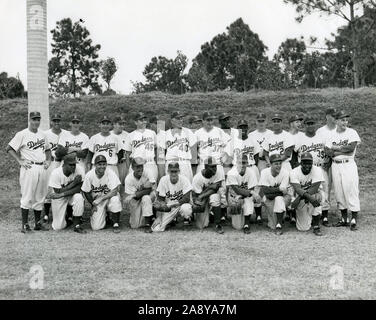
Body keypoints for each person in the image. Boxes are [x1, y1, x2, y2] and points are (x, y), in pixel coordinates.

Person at [6, 111, 51, 233]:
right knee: (27, 196)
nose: (36, 122)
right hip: (29, 167)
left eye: (38, 119)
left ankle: (37, 223)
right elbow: (9, 148)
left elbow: (48, 150)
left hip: (42, 167)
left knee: (40, 196)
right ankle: (25, 225)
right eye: (34, 119)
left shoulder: (43, 134)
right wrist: (20, 160)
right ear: (29, 120)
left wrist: (48, 160)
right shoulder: (22, 134)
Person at [324, 110, 361, 231]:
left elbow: (350, 148)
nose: (345, 122)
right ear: (336, 121)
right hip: (335, 165)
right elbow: (327, 151)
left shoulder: (352, 132)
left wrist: (337, 149)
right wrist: (336, 151)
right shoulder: (331, 134)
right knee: (339, 191)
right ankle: (344, 218)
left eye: (346, 120)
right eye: (342, 120)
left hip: (348, 164)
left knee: (351, 189)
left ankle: (354, 218)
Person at [294, 116, 331, 226]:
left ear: (315, 124)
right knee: (308, 190)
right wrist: (296, 166)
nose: (310, 125)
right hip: (305, 169)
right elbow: (294, 154)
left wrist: (329, 162)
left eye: (312, 123)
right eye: (308, 123)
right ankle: (309, 213)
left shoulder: (322, 137)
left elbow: (329, 151)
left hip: (319, 167)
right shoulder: (300, 139)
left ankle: (324, 216)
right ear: (305, 125)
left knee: (324, 191)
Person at [194, 112, 229, 220]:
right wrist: (197, 160)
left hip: (216, 163)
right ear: (203, 121)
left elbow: (228, 145)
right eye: (207, 120)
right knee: (203, 188)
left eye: (211, 119)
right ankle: (204, 211)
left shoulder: (219, 131)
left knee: (221, 189)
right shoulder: (197, 133)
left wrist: (224, 159)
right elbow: (194, 149)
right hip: (203, 164)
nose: (210, 122)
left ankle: (222, 213)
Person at [228, 119, 263, 224]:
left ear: (247, 128)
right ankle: (240, 211)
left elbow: (256, 156)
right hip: (238, 168)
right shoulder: (233, 142)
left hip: (251, 166)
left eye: (244, 127)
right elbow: (229, 157)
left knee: (255, 191)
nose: (242, 129)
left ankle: (258, 215)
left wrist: (251, 167)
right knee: (238, 190)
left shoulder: (253, 140)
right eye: (240, 127)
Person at [263, 113, 295, 223]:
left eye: (278, 121)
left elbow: (287, 153)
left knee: (289, 190)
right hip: (273, 166)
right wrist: (269, 163)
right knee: (276, 188)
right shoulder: (269, 136)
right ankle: (278, 213)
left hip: (285, 164)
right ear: (272, 123)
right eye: (274, 121)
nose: (276, 123)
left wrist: (274, 162)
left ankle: (291, 214)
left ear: (281, 122)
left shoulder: (287, 136)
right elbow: (265, 152)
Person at [81, 155, 122, 232]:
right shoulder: (89, 175)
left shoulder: (110, 173)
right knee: (96, 227)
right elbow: (86, 191)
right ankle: (105, 217)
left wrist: (102, 198)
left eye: (104, 164)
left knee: (115, 199)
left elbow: (115, 190)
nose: (102, 166)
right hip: (97, 201)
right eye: (99, 164)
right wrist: (92, 204)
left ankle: (115, 223)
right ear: (95, 165)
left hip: (109, 197)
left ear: (106, 164)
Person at [46, 153, 85, 233]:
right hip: (58, 197)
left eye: (74, 164)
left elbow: (79, 188)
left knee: (79, 197)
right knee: (58, 227)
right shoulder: (56, 173)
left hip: (67, 195)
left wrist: (62, 193)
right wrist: (74, 183)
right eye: (70, 165)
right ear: (64, 164)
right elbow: (57, 191)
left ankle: (76, 225)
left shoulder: (80, 169)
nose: (73, 167)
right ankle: (68, 220)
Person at [290, 152, 324, 236]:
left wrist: (308, 198)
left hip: (313, 194)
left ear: (312, 163)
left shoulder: (317, 170)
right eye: (304, 163)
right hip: (300, 196)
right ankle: (299, 215)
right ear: (300, 163)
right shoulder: (294, 172)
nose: (307, 165)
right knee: (303, 228)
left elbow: (315, 188)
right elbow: (297, 189)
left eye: (309, 163)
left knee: (317, 197)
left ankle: (316, 225)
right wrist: (302, 198)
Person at [152, 162, 193, 232]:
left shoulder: (184, 180)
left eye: (175, 171)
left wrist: (174, 204)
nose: (173, 174)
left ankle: (186, 219)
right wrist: (159, 217)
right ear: (168, 171)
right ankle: (170, 221)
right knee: (156, 229)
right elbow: (160, 200)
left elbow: (186, 198)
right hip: (169, 208)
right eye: (172, 171)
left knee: (186, 208)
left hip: (181, 205)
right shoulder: (163, 180)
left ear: (179, 171)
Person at [43, 113, 68, 222]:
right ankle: (46, 213)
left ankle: (66, 213)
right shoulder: (45, 134)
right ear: (51, 122)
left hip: (63, 162)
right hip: (51, 162)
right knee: (49, 187)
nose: (56, 122)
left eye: (58, 120)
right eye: (54, 120)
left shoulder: (66, 133)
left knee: (63, 185)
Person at [226, 154, 260, 234]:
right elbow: (236, 190)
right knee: (237, 227)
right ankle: (236, 215)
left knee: (249, 200)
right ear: (236, 163)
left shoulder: (251, 172)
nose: (241, 165)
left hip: (244, 196)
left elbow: (250, 189)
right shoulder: (231, 172)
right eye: (239, 163)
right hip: (234, 197)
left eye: (244, 163)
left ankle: (247, 224)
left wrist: (245, 195)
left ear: (247, 163)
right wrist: (251, 192)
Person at [258, 154, 291, 235]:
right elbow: (265, 191)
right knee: (272, 225)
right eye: (276, 164)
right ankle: (277, 218)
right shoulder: (264, 172)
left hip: (282, 199)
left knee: (279, 198)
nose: (278, 166)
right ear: (271, 164)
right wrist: (278, 189)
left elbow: (282, 193)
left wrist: (271, 191)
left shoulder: (285, 173)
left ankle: (279, 225)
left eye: (280, 163)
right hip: (269, 199)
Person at [191, 157, 226, 234]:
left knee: (215, 197)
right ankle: (210, 215)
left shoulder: (219, 172)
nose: (214, 169)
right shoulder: (197, 178)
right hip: (203, 200)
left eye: (215, 166)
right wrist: (210, 187)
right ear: (206, 167)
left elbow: (216, 188)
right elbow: (198, 196)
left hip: (211, 196)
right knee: (201, 225)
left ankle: (218, 224)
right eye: (212, 167)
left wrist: (203, 194)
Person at [124, 112, 159, 183]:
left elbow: (156, 149)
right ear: (136, 122)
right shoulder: (130, 135)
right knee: (135, 188)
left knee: (152, 187)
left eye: (145, 120)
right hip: (136, 164)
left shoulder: (152, 133)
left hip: (150, 163)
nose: (144, 122)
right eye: (141, 120)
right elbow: (127, 154)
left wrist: (156, 162)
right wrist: (129, 168)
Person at [162, 111, 196, 182]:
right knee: (171, 190)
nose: (180, 120)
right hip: (171, 164)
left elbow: (194, 153)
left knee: (186, 189)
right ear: (172, 120)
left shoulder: (188, 132)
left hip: (185, 163)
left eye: (181, 118)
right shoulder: (165, 134)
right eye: (178, 118)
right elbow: (160, 157)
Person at [123, 157, 156, 232]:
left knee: (146, 198)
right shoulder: (128, 179)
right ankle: (149, 217)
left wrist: (135, 194)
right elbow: (135, 198)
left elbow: (150, 189)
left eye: (141, 166)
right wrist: (135, 195)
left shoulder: (148, 172)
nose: (140, 169)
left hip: (150, 196)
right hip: (136, 199)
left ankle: (148, 223)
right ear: (132, 168)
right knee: (135, 225)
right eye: (137, 167)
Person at [110, 115, 129, 185]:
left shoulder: (127, 135)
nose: (122, 126)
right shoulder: (109, 135)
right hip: (113, 164)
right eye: (120, 124)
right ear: (114, 124)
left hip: (124, 163)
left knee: (125, 184)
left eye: (123, 124)